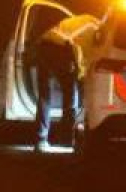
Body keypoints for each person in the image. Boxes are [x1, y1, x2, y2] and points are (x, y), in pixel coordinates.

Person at [33, 12, 96, 152]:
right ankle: (67, 139)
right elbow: (78, 50)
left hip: (43, 45)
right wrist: (81, 74)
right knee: (71, 95)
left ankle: (40, 140)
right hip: (61, 48)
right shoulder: (94, 29)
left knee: (45, 96)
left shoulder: (84, 19)